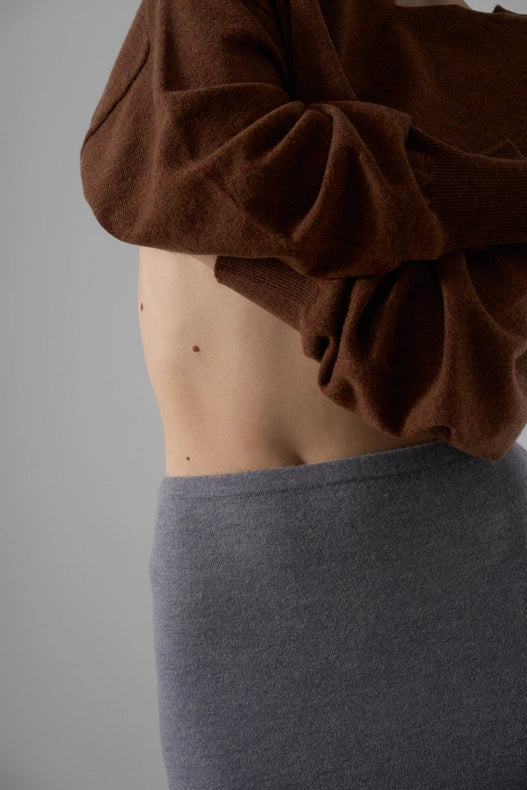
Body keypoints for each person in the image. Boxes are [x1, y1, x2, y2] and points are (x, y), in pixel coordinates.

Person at [81, 0, 527, 786]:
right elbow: (209, 163)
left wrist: (249, 252)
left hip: (469, 560)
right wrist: (495, 194)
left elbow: (456, 357)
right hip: (239, 584)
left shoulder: (513, 56)